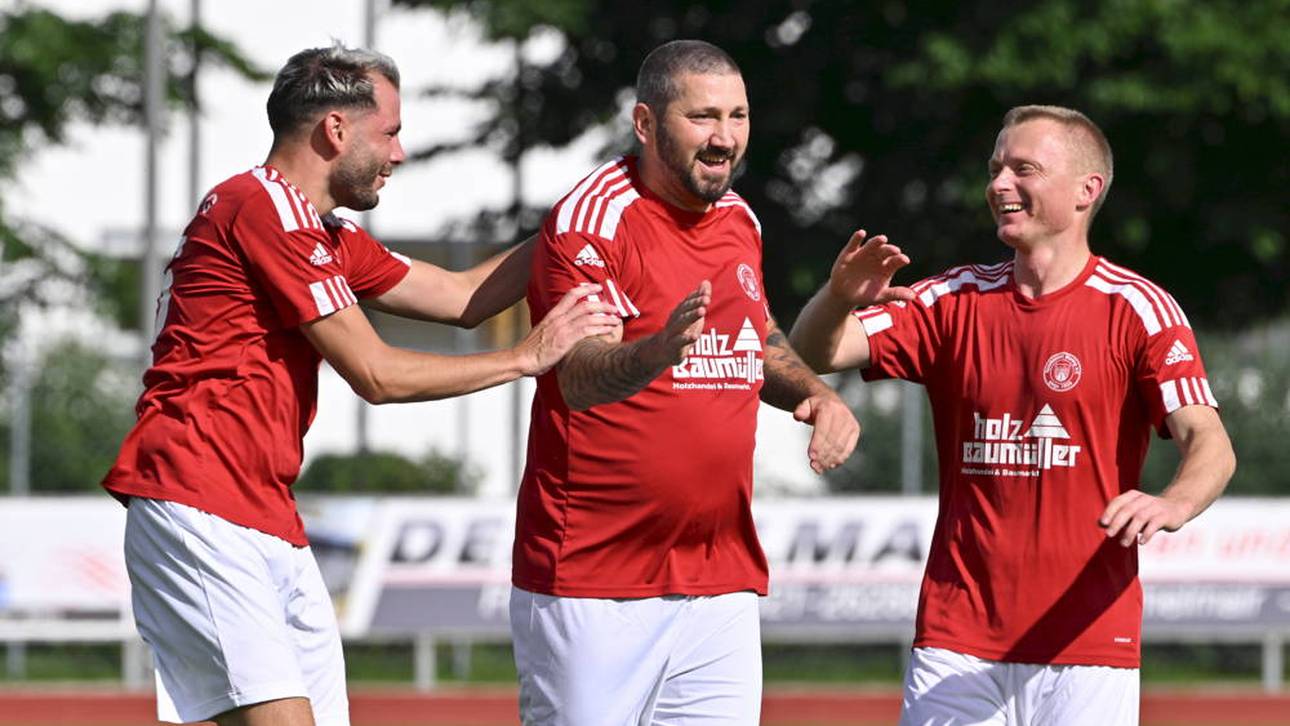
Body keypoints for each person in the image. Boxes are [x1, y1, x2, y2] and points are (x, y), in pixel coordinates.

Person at [100, 44, 619, 726]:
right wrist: (526, 358)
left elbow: (464, 297)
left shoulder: (323, 234)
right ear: (336, 131)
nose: (399, 154)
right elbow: (374, 373)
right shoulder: (261, 207)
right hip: (195, 497)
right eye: (392, 132)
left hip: (264, 514)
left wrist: (586, 217)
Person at [790, 105, 1236, 725]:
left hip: (1087, 642)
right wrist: (836, 298)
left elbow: (1209, 441)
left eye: (1023, 169)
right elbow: (815, 351)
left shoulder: (1138, 308)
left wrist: (1173, 503)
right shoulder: (951, 299)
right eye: (996, 169)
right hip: (956, 638)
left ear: (1088, 191)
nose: (1000, 185)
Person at [509, 39, 861, 725]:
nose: (724, 138)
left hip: (719, 579)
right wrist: (655, 352)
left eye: (738, 116)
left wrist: (816, 393)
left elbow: (756, 340)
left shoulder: (741, 221)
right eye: (702, 117)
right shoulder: (591, 221)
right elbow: (575, 375)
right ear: (645, 124)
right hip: (593, 583)